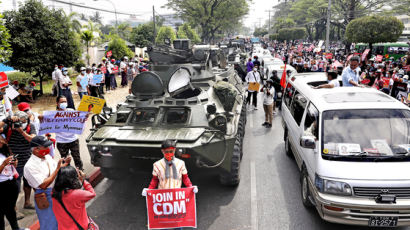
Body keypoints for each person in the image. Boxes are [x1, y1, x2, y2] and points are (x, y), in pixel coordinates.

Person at [24, 136, 71, 230]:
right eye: (45, 147)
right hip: (43, 196)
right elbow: (43, 184)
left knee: (60, 221)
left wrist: (63, 165)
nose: (48, 148)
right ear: (36, 150)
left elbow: (54, 170)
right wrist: (58, 168)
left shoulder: (47, 157)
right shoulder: (30, 166)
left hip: (56, 192)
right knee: (49, 224)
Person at [2, 111, 36, 210]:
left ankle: (27, 202)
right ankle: (13, 207)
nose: (22, 124)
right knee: (15, 185)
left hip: (27, 158)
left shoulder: (31, 126)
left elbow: (32, 140)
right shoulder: (8, 126)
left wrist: (22, 132)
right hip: (14, 161)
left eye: (24, 121)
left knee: (28, 182)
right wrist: (6, 120)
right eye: (20, 122)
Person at [52, 166, 96, 230]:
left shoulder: (53, 194)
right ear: (73, 179)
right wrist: (83, 180)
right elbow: (92, 193)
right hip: (81, 227)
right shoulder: (77, 194)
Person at [0, 133, 28, 230]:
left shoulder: (5, 151)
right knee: (1, 211)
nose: (1, 141)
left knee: (10, 209)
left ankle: (16, 228)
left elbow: (10, 168)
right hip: (1, 186)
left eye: (2, 140)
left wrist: (14, 163)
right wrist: (3, 164)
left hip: (11, 183)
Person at [54, 96, 84, 170]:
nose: (64, 103)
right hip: (61, 141)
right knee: (65, 161)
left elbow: (78, 121)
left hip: (73, 139)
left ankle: (80, 173)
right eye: (62, 102)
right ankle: (67, 175)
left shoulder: (71, 111)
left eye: (65, 102)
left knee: (77, 158)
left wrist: (83, 118)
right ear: (57, 103)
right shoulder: (53, 115)